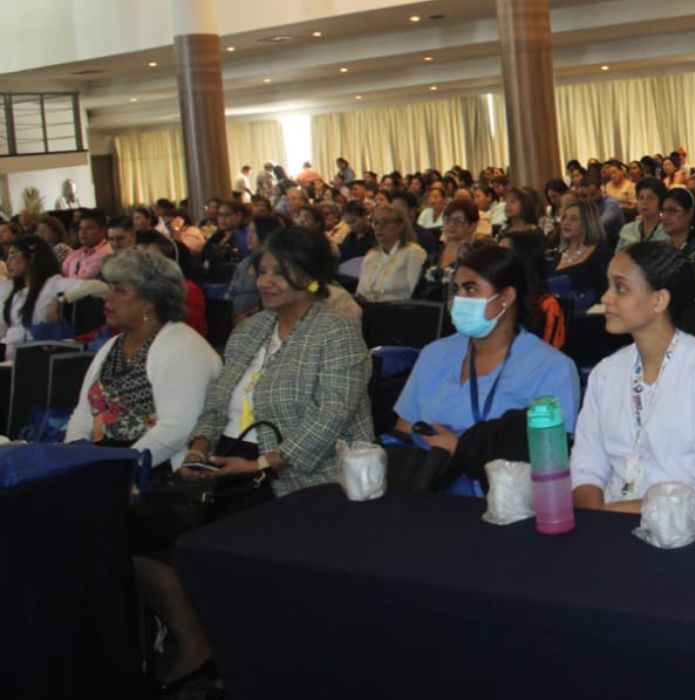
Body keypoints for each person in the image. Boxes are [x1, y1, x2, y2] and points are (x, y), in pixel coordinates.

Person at [148, 230, 371, 690]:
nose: (266, 281)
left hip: (300, 467)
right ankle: (197, 642)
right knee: (140, 533)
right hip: (228, 459)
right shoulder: (250, 329)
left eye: (279, 272)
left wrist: (264, 463)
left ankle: (245, 659)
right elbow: (215, 402)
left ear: (310, 277)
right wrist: (198, 448)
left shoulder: (336, 331)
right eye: (262, 270)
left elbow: (331, 415)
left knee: (218, 544)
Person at [570, 242, 695, 523]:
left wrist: (609, 517)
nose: (606, 297)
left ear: (659, 300)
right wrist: (596, 525)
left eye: (621, 288)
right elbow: (586, 468)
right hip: (612, 533)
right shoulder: (606, 373)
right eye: (608, 286)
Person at [393, 246, 580, 490]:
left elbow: (550, 463)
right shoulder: (434, 355)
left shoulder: (551, 368)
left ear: (506, 297)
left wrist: (462, 449)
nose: (458, 300)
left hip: (510, 502)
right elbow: (403, 433)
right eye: (455, 290)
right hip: (428, 491)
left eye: (471, 289)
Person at [64, 249, 221, 465]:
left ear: (149, 302)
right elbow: (83, 412)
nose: (107, 297)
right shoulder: (112, 346)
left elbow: (177, 428)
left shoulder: (183, 349)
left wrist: (120, 467)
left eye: (119, 291)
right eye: (110, 287)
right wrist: (76, 451)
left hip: (153, 470)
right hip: (103, 463)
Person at [2, 235, 66, 360]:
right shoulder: (17, 291)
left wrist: (61, 298)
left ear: (31, 256)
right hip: (7, 350)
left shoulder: (53, 283)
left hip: (27, 356)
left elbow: (99, 287)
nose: (8, 262)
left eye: (13, 255)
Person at [418, 199, 489, 302]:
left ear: (472, 226)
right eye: (448, 219)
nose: (452, 224)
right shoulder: (434, 254)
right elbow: (418, 290)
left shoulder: (476, 257)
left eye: (459, 220)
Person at [546, 197, 611, 303]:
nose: (566, 222)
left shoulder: (601, 254)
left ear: (588, 223)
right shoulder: (559, 255)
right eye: (564, 218)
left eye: (574, 219)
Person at [357, 204, 426, 302]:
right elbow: (361, 294)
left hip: (399, 312)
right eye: (375, 222)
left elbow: (416, 296)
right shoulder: (371, 257)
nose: (378, 227)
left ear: (400, 226)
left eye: (384, 222)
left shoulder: (413, 253)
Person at [615, 177, 669, 250]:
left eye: (650, 198)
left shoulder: (668, 230)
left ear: (661, 202)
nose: (644, 202)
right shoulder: (627, 230)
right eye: (641, 198)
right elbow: (617, 258)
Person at [62, 210, 114, 279]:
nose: (82, 232)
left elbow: (84, 279)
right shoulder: (77, 252)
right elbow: (62, 273)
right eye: (80, 228)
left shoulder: (106, 253)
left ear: (103, 230)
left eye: (89, 228)